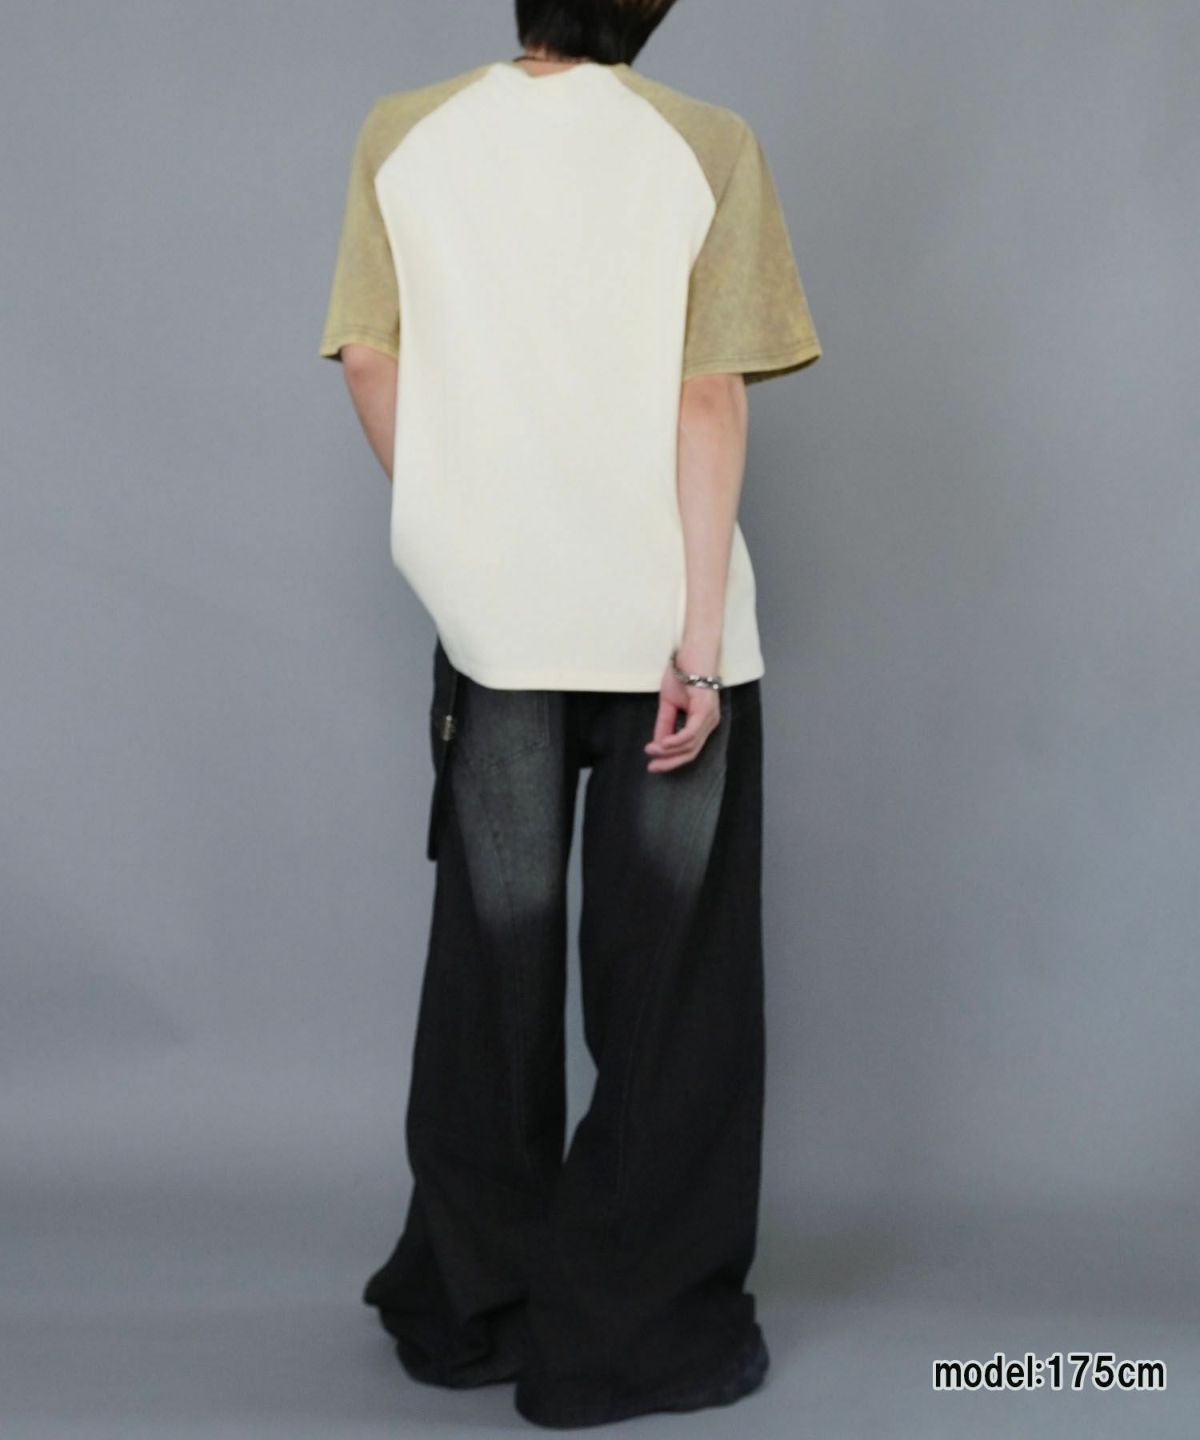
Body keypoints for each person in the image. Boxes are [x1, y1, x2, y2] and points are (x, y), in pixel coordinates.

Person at [318, 0, 822, 1426]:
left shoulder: (405, 134)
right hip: (668, 626)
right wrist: (698, 647)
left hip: (498, 634)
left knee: (492, 969)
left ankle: (470, 1307)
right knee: (670, 992)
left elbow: (371, 357)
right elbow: (708, 396)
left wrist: (458, 540)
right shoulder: (706, 144)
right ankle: (627, 1340)